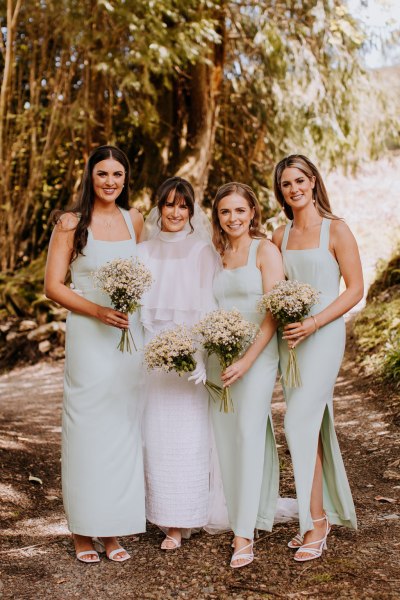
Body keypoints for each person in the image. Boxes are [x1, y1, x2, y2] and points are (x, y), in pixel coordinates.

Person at [44, 145, 145, 563]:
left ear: (125, 179)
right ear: (90, 176)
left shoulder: (134, 219)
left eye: (117, 175)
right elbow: (54, 286)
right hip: (89, 334)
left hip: (128, 336)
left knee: (123, 430)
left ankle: (114, 529)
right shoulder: (71, 223)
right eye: (102, 174)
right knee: (87, 430)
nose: (110, 182)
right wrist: (99, 310)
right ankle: (83, 531)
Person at [272, 154, 363, 562]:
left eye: (299, 181)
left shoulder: (337, 229)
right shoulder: (280, 236)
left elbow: (355, 289)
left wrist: (314, 322)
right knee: (310, 424)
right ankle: (317, 515)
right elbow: (273, 289)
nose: (294, 189)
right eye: (286, 184)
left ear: (313, 181)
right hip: (290, 339)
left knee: (296, 423)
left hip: (323, 335)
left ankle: (316, 523)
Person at [138, 177, 224, 550]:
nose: (175, 212)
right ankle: (157, 511)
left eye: (183, 205)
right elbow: (137, 313)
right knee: (156, 436)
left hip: (191, 361)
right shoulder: (141, 252)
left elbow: (208, 310)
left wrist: (201, 358)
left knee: (188, 437)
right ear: (159, 207)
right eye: (169, 204)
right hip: (153, 360)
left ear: (191, 210)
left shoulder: (202, 250)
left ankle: (181, 520)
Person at [208, 182, 285, 569]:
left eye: (240, 210)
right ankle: (243, 511)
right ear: (217, 216)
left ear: (252, 212)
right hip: (220, 357)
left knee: (247, 433)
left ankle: (243, 535)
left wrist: (248, 361)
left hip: (257, 355)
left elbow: (273, 313)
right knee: (225, 438)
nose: (233, 218)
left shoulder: (265, 250)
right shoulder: (217, 253)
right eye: (225, 212)